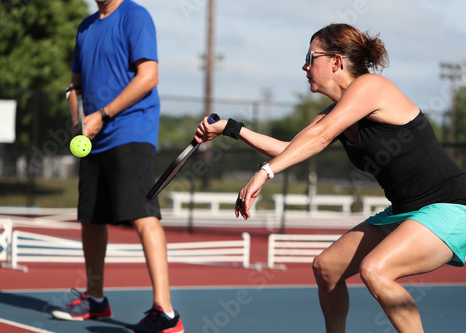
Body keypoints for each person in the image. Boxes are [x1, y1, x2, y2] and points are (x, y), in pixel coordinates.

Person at [194, 23, 466, 333]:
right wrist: (232, 128)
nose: (304, 65)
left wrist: (264, 172)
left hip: (450, 206)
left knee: (375, 270)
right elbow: (290, 148)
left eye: (311, 57)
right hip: (406, 209)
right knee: (326, 268)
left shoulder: (371, 87)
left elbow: (320, 137)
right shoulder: (334, 113)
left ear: (336, 61)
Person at [52, 1, 185, 332]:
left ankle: (165, 313)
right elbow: (74, 85)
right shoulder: (85, 27)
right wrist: (77, 119)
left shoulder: (135, 16)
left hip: (131, 132)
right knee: (91, 219)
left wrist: (104, 114)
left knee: (143, 215)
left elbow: (148, 76)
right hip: (92, 136)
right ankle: (95, 299)